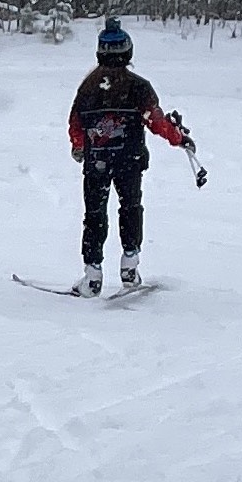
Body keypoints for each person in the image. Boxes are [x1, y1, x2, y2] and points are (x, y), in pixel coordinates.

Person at [67, 19, 194, 295]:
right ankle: (129, 265)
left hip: (96, 161)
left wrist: (79, 146)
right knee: (131, 208)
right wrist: (179, 137)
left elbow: (75, 122)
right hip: (130, 160)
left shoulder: (87, 88)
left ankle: (92, 275)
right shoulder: (139, 87)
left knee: (94, 214)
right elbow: (157, 121)